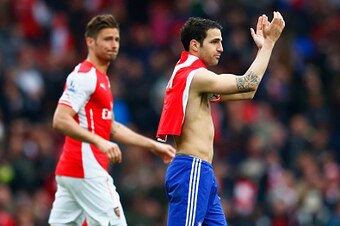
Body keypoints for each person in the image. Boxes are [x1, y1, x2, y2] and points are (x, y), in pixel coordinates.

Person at [156, 12, 285, 226]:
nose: (221, 48)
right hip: (191, 170)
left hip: (202, 172)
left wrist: (263, 49)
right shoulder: (195, 76)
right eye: (215, 42)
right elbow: (248, 83)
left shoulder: (190, 76)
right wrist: (270, 43)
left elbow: (246, 93)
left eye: (222, 42)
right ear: (195, 45)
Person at [48, 14, 176, 226]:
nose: (113, 44)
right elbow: (60, 119)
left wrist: (152, 145)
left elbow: (111, 127)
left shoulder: (102, 79)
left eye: (116, 39)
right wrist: (99, 141)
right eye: (107, 39)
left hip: (72, 172)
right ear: (90, 42)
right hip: (88, 170)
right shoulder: (83, 76)